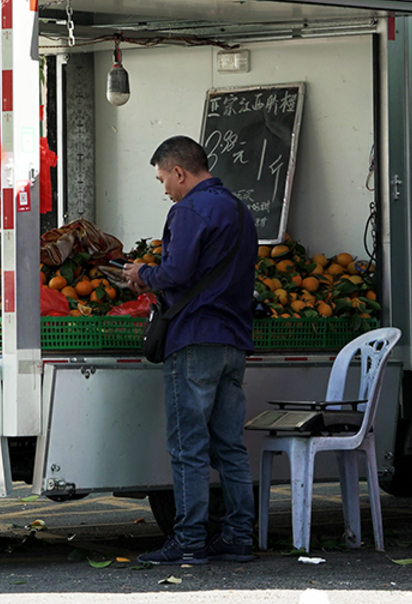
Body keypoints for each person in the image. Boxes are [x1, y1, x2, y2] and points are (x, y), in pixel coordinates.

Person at [123, 135, 259, 565]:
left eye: (164, 178)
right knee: (230, 446)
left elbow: (176, 272)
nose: (165, 188)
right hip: (234, 341)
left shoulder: (188, 210)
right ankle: (239, 537)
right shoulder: (239, 209)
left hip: (194, 339)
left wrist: (143, 271)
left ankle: (189, 540)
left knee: (189, 447)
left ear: (180, 172)